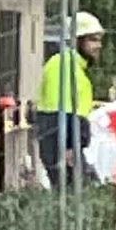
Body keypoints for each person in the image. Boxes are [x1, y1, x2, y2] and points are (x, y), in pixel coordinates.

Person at [34, 11, 103, 187]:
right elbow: (64, 111)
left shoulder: (71, 65)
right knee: (79, 190)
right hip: (63, 144)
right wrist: (70, 145)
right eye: (92, 40)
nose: (98, 45)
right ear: (76, 41)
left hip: (62, 143)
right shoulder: (65, 66)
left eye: (99, 40)